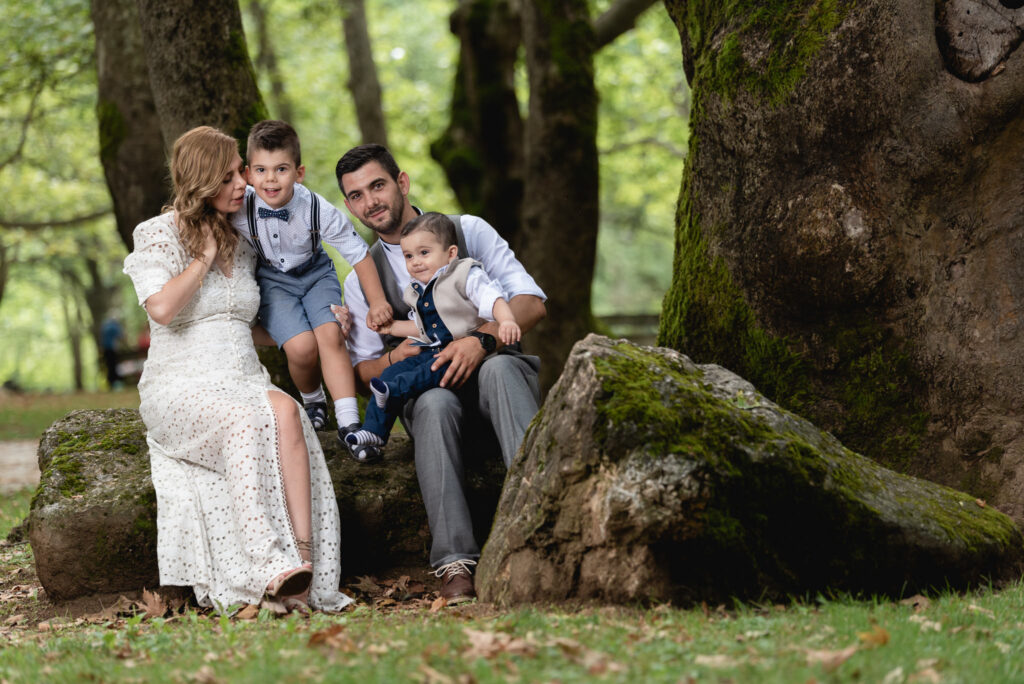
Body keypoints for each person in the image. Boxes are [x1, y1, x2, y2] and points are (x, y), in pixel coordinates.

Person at [123, 126, 352, 614]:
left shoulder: (247, 242)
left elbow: (247, 323)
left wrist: (324, 321)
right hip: (180, 384)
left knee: (288, 414)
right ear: (203, 179)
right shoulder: (157, 234)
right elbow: (162, 310)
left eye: (241, 172)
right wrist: (204, 257)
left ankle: (305, 569)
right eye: (230, 175)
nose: (244, 183)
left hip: (243, 376)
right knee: (243, 420)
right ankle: (267, 563)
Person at [335, 144, 547, 604]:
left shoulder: (467, 232)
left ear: (402, 182)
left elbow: (531, 302)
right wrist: (400, 353)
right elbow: (365, 369)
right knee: (431, 402)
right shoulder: (361, 279)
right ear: (348, 205)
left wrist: (480, 340)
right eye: (355, 196)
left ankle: (543, 521)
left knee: (499, 372)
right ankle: (455, 561)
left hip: (497, 376)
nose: (369, 201)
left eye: (378, 185)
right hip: (432, 391)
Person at [230, 120, 391, 463]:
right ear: (247, 173)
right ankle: (313, 398)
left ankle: (350, 424)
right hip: (274, 282)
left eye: (281, 169)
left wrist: (377, 302)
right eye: (261, 170)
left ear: (299, 172)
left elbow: (358, 253)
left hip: (317, 274)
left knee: (331, 334)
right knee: (302, 348)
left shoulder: (317, 210)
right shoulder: (237, 207)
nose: (270, 179)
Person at [345, 212, 521, 448]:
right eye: (408, 256)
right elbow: (422, 327)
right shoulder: (419, 291)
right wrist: (391, 327)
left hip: (463, 353)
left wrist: (506, 321)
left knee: (421, 373)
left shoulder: (465, 274)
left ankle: (395, 390)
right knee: (388, 374)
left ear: (450, 253)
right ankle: (374, 432)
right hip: (434, 349)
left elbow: (494, 298)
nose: (415, 261)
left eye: (424, 253)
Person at [100, 316, 124, 389]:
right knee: (113, 366)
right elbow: (120, 336)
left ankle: (110, 383)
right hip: (112, 349)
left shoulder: (105, 326)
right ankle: (115, 383)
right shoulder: (114, 326)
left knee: (109, 366)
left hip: (105, 349)